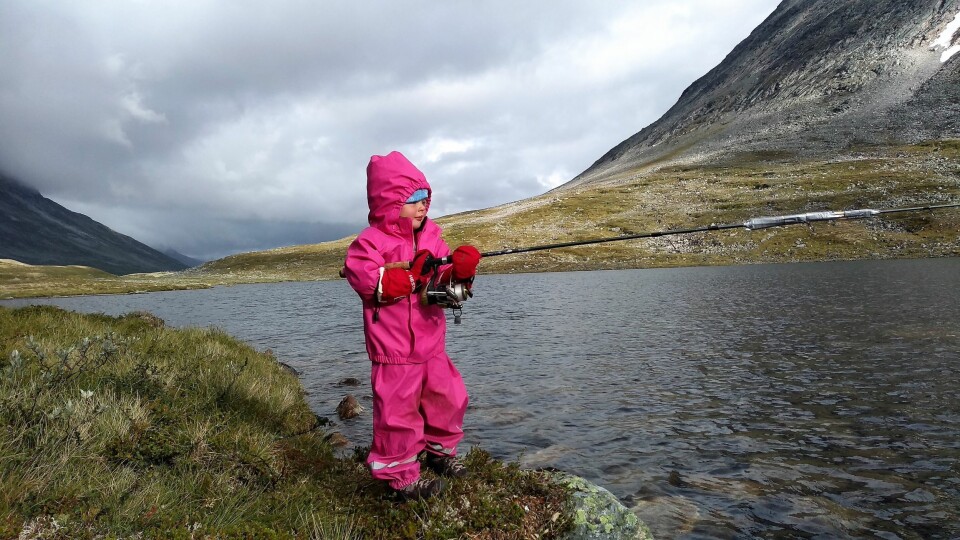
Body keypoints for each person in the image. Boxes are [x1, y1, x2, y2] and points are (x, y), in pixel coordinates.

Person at [343, 150, 481, 500]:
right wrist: (410, 276)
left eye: (425, 196)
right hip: (394, 352)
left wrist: (462, 273)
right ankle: (401, 478)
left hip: (432, 346)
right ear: (389, 202)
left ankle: (441, 454)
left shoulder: (434, 237)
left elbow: (447, 290)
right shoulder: (369, 243)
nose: (423, 205)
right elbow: (366, 281)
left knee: (449, 398)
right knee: (397, 415)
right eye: (413, 198)